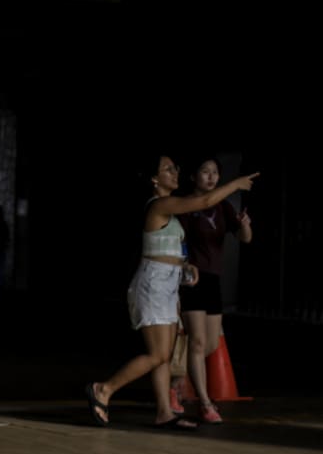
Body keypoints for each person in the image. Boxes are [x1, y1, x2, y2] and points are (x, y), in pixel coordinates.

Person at [84, 155, 257, 429]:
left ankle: (164, 412)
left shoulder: (172, 214)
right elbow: (203, 202)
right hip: (153, 284)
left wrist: (186, 266)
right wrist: (235, 184)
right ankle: (103, 389)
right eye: (167, 169)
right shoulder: (160, 205)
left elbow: (167, 249)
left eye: (175, 167)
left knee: (164, 354)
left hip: (168, 285)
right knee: (157, 355)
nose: (174, 172)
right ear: (155, 179)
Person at [171, 155, 254, 423]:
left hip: (214, 280)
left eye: (215, 173)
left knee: (207, 344)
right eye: (205, 172)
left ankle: (177, 381)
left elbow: (245, 239)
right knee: (196, 342)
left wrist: (244, 225)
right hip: (192, 279)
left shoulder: (222, 207)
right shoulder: (185, 206)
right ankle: (206, 404)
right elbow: (177, 244)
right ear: (193, 177)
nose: (211, 177)